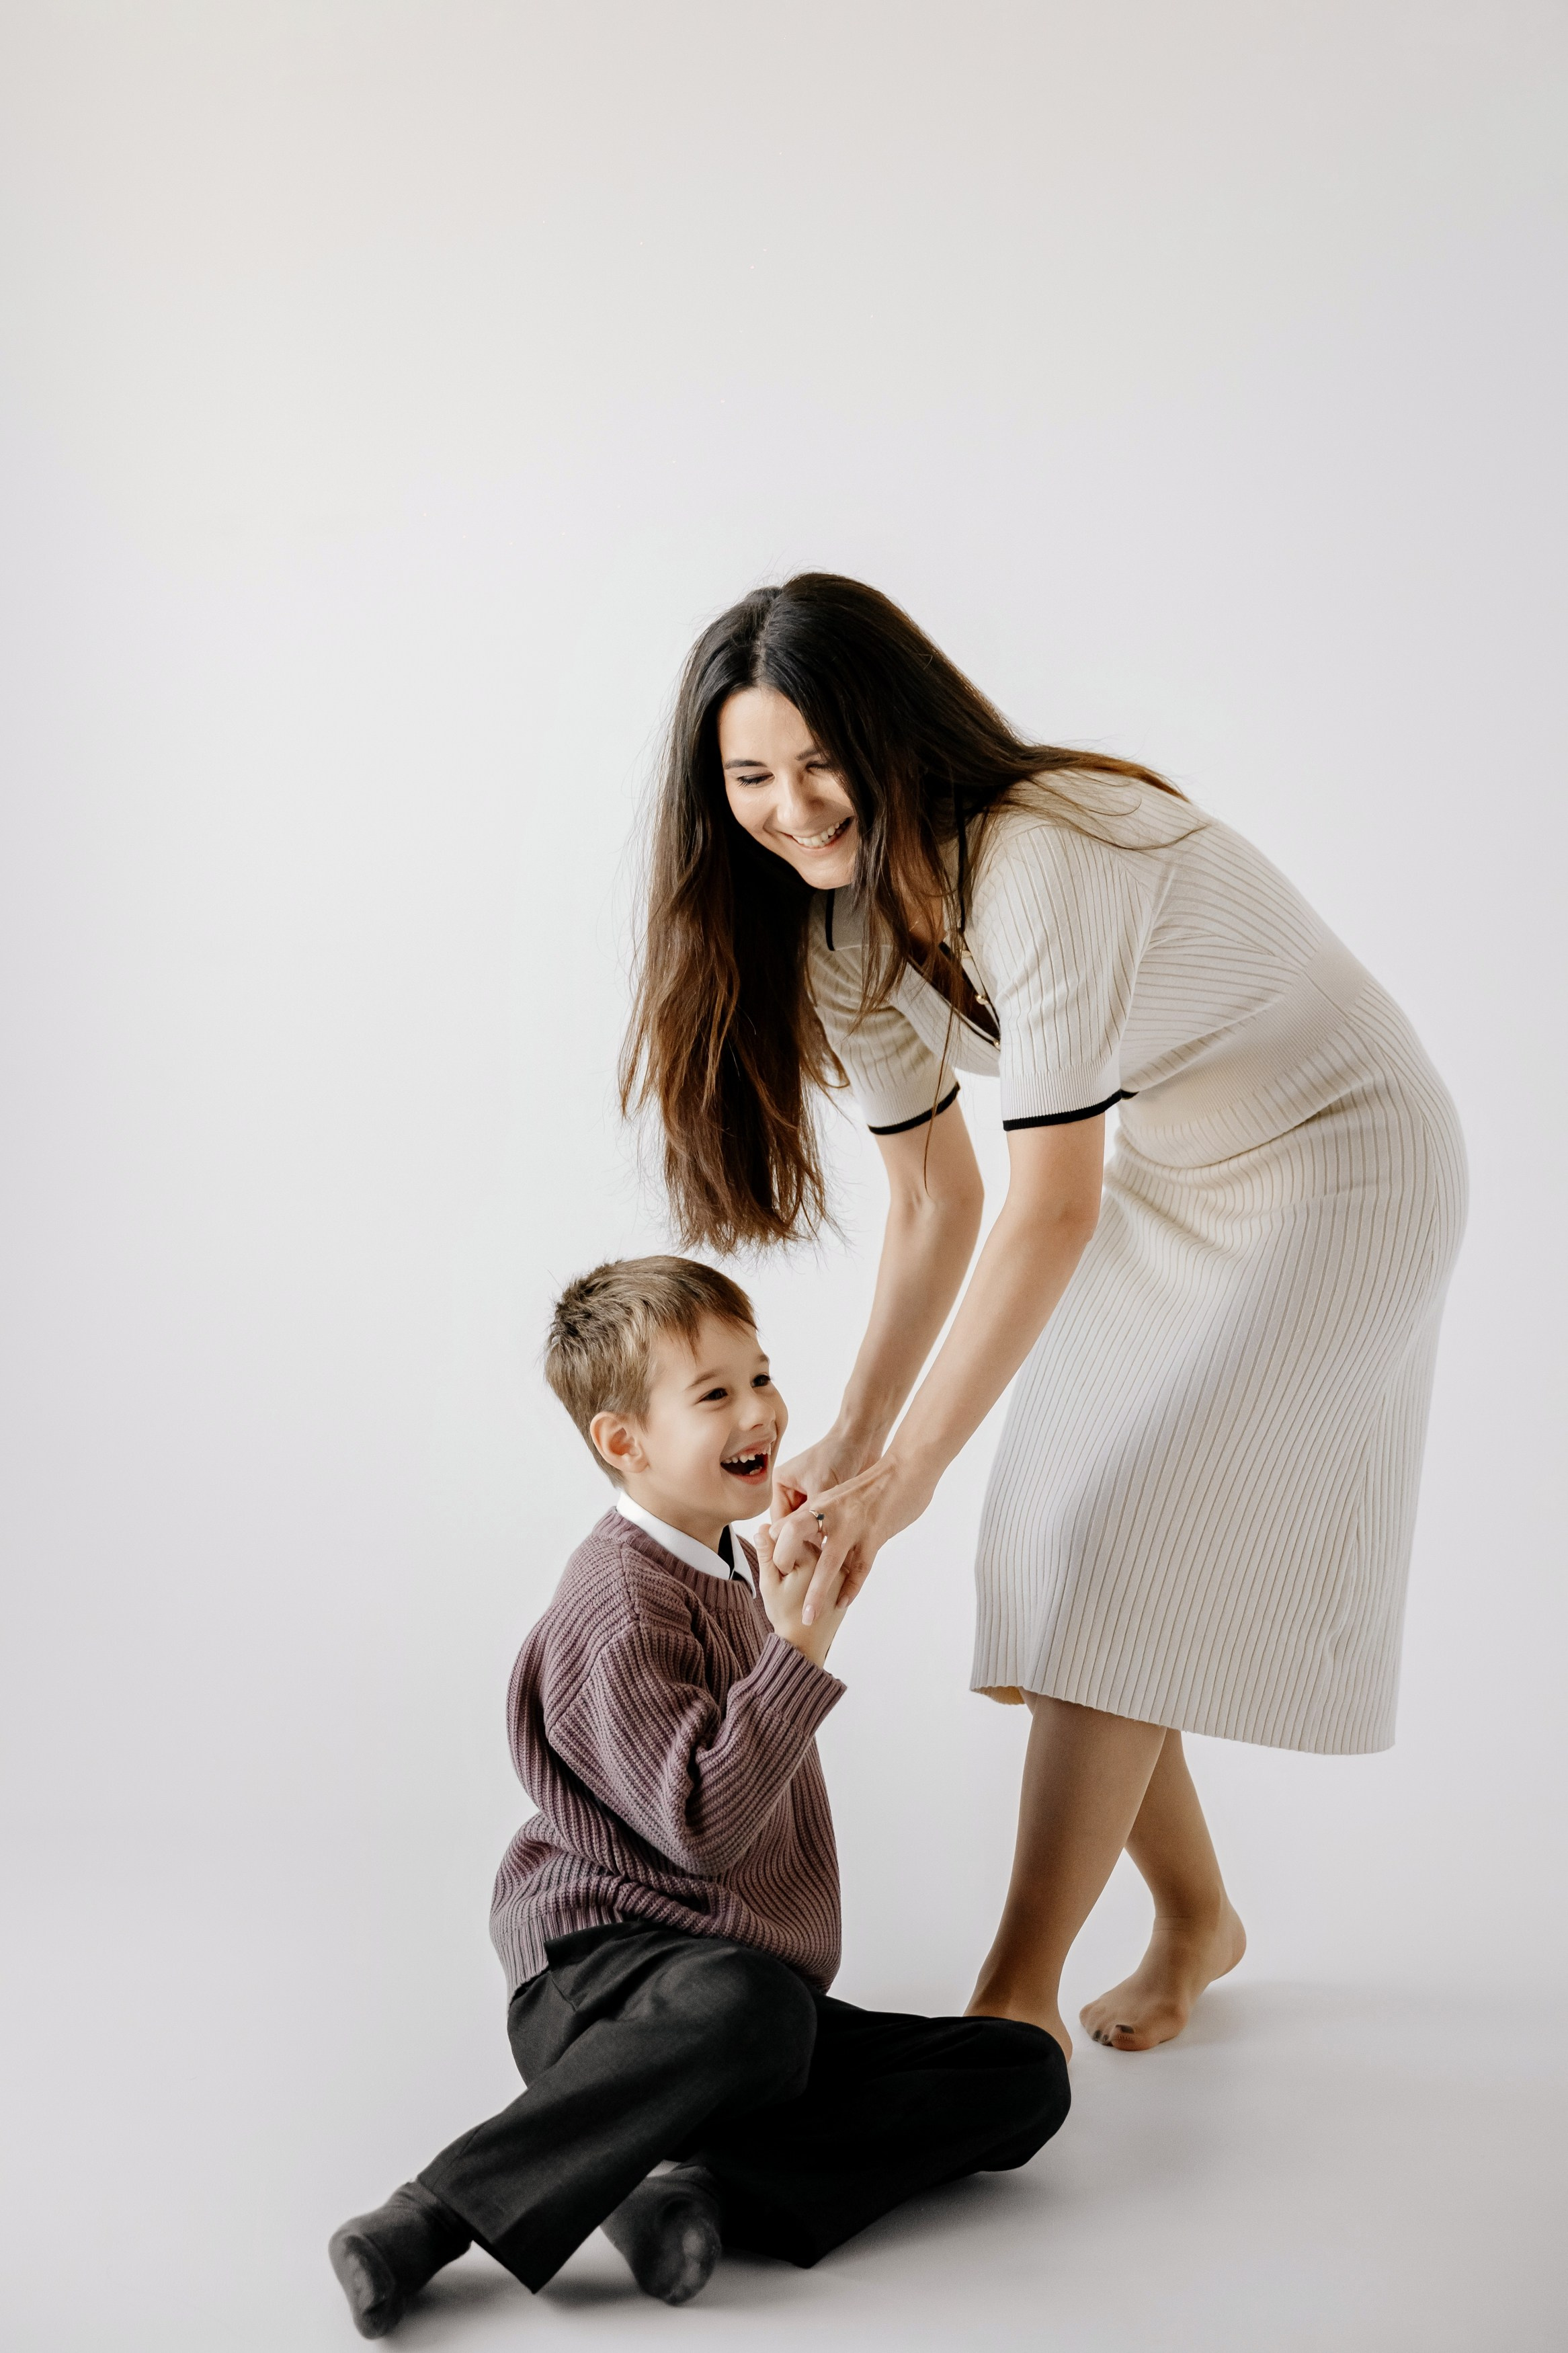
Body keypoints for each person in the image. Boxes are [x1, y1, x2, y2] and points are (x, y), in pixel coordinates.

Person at [621, 575, 1467, 2061]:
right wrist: (864, 1432)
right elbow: (939, 1200)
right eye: (750, 777)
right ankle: (1201, 1918)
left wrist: (921, 1466)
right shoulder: (839, 939)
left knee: (1110, 1541)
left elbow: (1050, 1204)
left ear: (894, 737)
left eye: (821, 761)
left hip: (1346, 1159)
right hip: (1182, 1174)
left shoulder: (1040, 859)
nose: (794, 806)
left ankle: (1016, 1994)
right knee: (1049, 1552)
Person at [327, 1256, 1068, 2338]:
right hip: (609, 1987)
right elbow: (704, 1831)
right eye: (714, 1394)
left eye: (761, 1377)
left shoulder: (725, 1567)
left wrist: (786, 1614)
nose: (760, 1410)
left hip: (740, 1998)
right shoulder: (622, 1600)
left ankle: (687, 2187)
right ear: (623, 1442)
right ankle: (439, 2211)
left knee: (1020, 2072)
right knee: (750, 2009)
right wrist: (801, 1648)